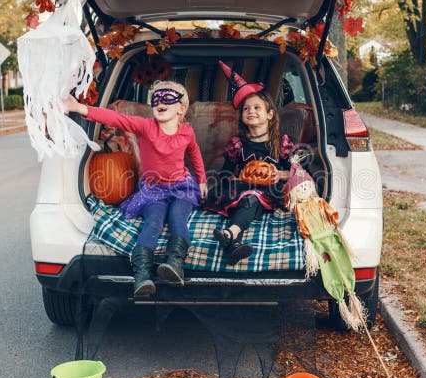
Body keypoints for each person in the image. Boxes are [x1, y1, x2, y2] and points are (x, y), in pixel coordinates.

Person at [61, 81, 208, 297]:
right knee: (153, 222)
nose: (160, 102)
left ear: (182, 108)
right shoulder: (145, 126)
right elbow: (115, 118)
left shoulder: (187, 132)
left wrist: (202, 180)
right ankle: (142, 275)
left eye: (168, 98)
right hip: (153, 189)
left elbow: (194, 153)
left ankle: (174, 264)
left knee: (178, 217)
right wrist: (79, 108)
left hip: (181, 187)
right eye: (156, 98)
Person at [205, 62, 295, 264]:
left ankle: (230, 233)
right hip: (239, 190)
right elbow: (225, 174)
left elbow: (297, 173)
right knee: (248, 197)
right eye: (246, 108)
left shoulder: (282, 144)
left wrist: (277, 174)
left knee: (253, 197)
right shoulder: (237, 144)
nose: (251, 111)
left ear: (270, 114)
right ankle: (232, 245)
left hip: (270, 193)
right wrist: (237, 177)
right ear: (242, 116)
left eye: (257, 107)